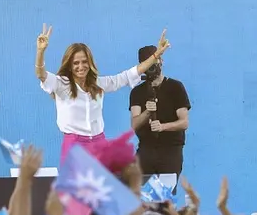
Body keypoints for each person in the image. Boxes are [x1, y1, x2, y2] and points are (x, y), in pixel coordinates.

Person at [34, 24, 170, 160]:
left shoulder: (98, 84)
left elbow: (127, 76)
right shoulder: (61, 84)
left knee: (109, 179)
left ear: (90, 63)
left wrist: (156, 55)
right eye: (76, 63)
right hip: (74, 145)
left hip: (100, 142)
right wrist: (40, 52)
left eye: (84, 62)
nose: (81, 67)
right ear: (69, 66)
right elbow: (41, 75)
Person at [129, 45, 190, 187]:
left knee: (165, 199)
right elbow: (134, 125)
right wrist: (147, 113)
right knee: (142, 196)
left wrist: (163, 127)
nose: (151, 67)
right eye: (147, 64)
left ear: (161, 61)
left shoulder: (176, 87)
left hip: (170, 150)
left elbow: (184, 122)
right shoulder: (137, 92)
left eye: (154, 62)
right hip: (146, 150)